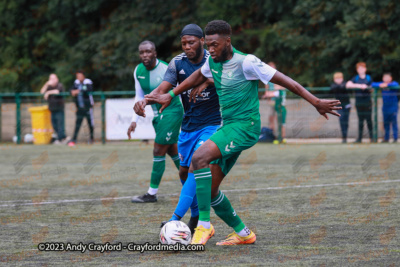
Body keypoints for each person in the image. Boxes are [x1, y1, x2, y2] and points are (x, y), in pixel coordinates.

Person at [146, 20, 341, 246]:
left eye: (215, 45)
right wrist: (171, 94)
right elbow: (197, 76)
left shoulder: (246, 62)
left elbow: (286, 81)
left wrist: (315, 101)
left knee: (198, 159)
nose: (210, 50)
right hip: (228, 127)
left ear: (228, 41)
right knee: (209, 190)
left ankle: (204, 227)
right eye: (208, 45)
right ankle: (244, 233)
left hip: (245, 127)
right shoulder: (214, 62)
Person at [135, 24, 222, 234]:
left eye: (191, 42)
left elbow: (224, 79)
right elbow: (163, 89)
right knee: (183, 172)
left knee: (195, 165)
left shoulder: (214, 60)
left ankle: (175, 218)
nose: (187, 47)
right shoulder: (177, 63)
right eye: (183, 43)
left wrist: (207, 82)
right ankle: (195, 214)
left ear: (202, 41)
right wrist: (145, 101)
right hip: (188, 125)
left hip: (211, 124)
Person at [129, 40, 184, 203]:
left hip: (172, 112)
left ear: (155, 53)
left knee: (158, 149)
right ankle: (193, 185)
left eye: (148, 51)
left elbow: (180, 91)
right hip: (158, 115)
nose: (145, 55)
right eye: (142, 52)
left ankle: (151, 194)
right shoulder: (138, 70)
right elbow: (139, 96)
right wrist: (134, 120)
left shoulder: (166, 68)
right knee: (173, 151)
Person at [346, 62, 373, 143]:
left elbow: (372, 88)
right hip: (359, 102)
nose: (361, 70)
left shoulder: (369, 78)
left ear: (365, 69)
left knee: (369, 120)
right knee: (360, 121)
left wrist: (367, 87)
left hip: (367, 101)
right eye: (359, 68)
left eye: (362, 68)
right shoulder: (356, 78)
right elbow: (348, 85)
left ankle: (372, 138)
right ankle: (359, 139)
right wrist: (359, 86)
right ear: (357, 70)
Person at [262, 62, 287, 144]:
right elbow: (267, 91)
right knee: (272, 119)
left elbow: (279, 90)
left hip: (279, 103)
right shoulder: (267, 78)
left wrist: (269, 94)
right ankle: (273, 136)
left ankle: (281, 137)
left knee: (279, 120)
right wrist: (268, 97)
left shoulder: (278, 78)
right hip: (273, 102)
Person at [68, 71, 94, 146]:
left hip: (88, 107)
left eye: (80, 76)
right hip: (79, 108)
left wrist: (77, 91)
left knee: (90, 123)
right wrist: (73, 91)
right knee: (77, 124)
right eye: (77, 76)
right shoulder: (76, 83)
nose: (79, 77)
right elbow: (70, 90)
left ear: (83, 76)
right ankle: (74, 139)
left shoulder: (88, 82)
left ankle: (91, 139)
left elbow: (88, 89)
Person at [40, 73, 68, 144]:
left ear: (57, 79)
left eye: (53, 78)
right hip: (52, 109)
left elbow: (57, 92)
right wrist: (46, 84)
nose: (52, 80)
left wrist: (48, 93)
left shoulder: (59, 85)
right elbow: (42, 92)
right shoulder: (48, 86)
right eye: (50, 79)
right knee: (54, 125)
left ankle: (60, 139)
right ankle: (64, 138)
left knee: (60, 125)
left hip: (59, 109)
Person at [371, 73, 399, 143]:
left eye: (388, 77)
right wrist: (381, 85)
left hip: (393, 107)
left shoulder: (394, 84)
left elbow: (396, 85)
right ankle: (386, 138)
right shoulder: (382, 84)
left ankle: (395, 138)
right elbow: (373, 84)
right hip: (385, 107)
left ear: (391, 78)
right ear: (383, 79)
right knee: (386, 124)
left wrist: (387, 85)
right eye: (385, 77)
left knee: (394, 123)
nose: (386, 79)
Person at [330, 72, 351, 143]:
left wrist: (341, 86)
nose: (339, 80)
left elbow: (345, 87)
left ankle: (345, 135)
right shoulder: (333, 85)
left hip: (347, 105)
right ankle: (344, 136)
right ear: (334, 79)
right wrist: (341, 86)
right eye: (337, 78)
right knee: (341, 119)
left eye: (340, 78)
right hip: (339, 106)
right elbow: (333, 88)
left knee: (346, 121)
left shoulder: (345, 83)